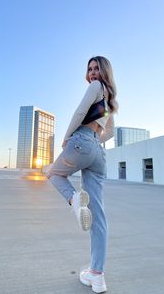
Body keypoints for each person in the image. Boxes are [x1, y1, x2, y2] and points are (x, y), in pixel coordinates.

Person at [47, 56, 118, 293]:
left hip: (82, 142)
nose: (92, 72)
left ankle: (75, 200)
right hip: (98, 154)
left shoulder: (95, 88)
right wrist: (95, 140)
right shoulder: (109, 99)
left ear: (104, 71)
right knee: (98, 216)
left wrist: (67, 136)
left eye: (97, 68)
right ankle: (97, 275)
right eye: (89, 69)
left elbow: (79, 111)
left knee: (54, 173)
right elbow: (111, 132)